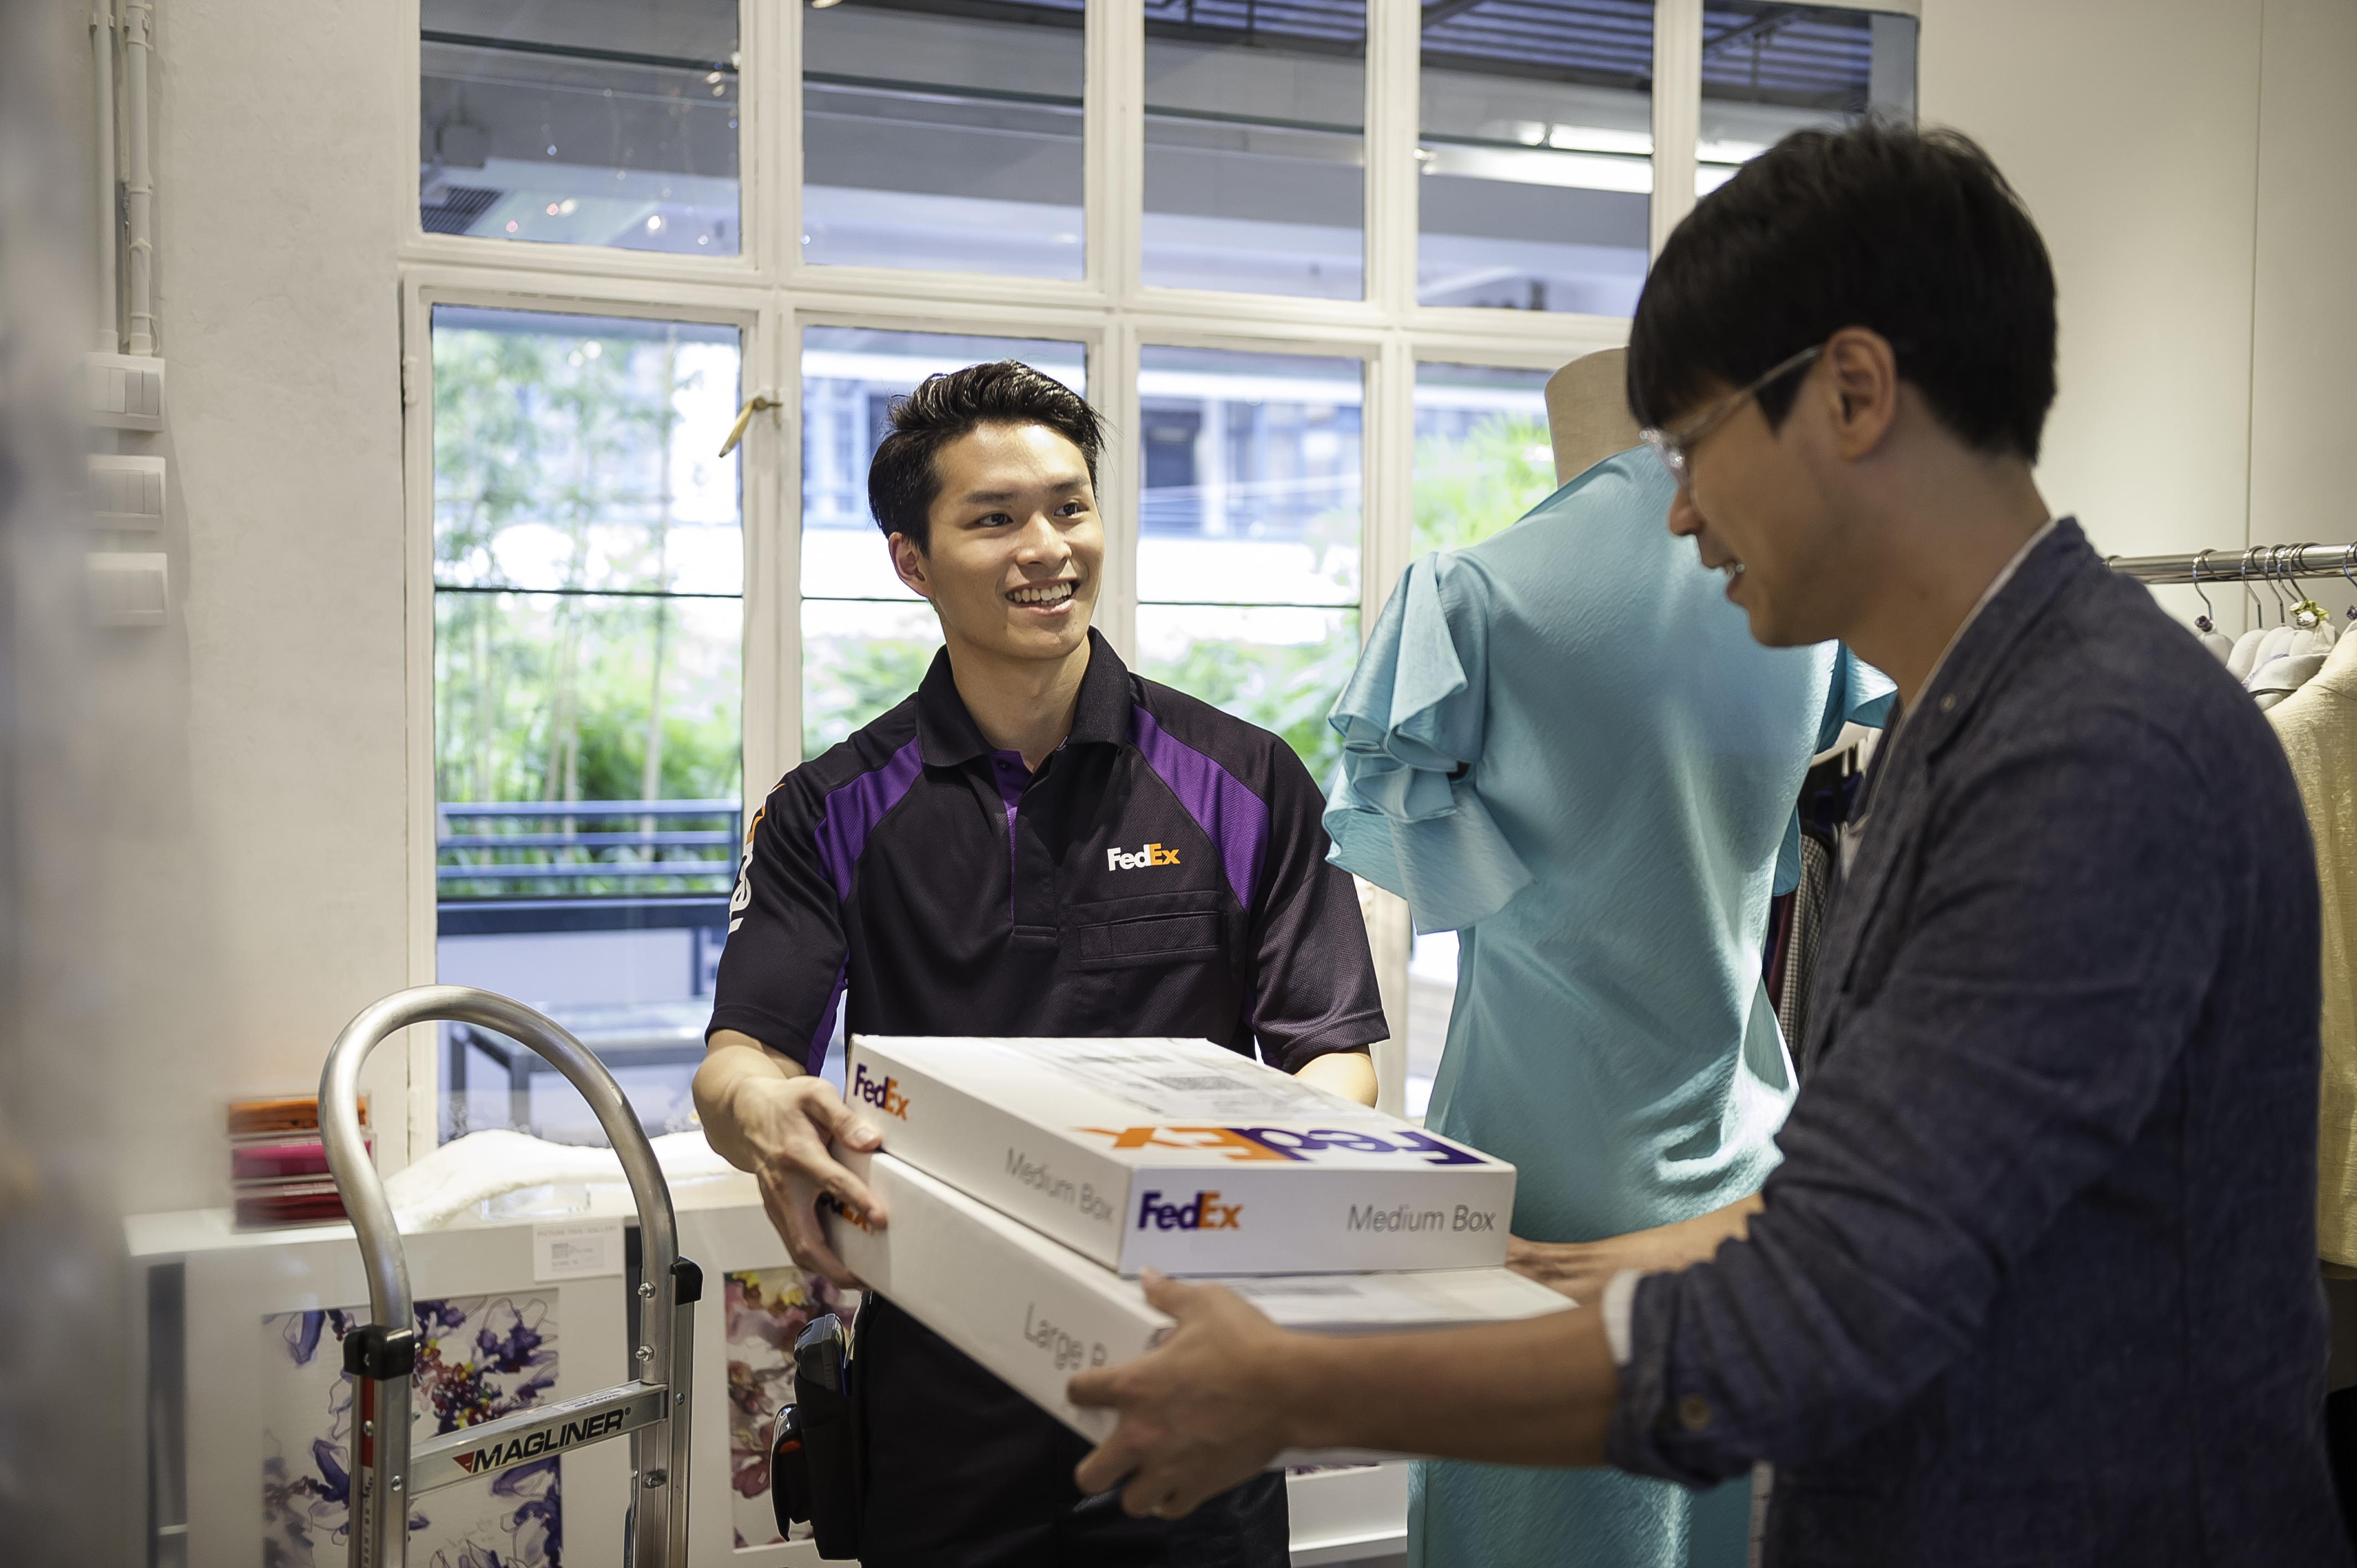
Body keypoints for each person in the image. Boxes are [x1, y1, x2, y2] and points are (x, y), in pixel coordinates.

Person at [1065, 124, 2350, 1565]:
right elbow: (1908, 1203)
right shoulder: (1979, 721)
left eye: (1691, 446)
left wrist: (1299, 1389)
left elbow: (1830, 1309)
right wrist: (1579, 1269)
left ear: (1852, 392)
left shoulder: (2086, 753)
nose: (1676, 511)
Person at [692, 360, 1387, 1567]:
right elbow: (739, 1062)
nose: (1047, 549)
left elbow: (1332, 1061)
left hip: (1192, 1368)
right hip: (941, 1394)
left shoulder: (1245, 780)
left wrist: (1250, 1211)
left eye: (1070, 507)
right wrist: (763, 1113)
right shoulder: (830, 808)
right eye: (995, 519)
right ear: (913, 561)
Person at [1320, 344, 1887, 1568]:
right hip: (1733, 1152)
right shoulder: (1799, 598)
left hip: (1535, 1164)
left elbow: (1415, 871)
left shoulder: (1472, 595)